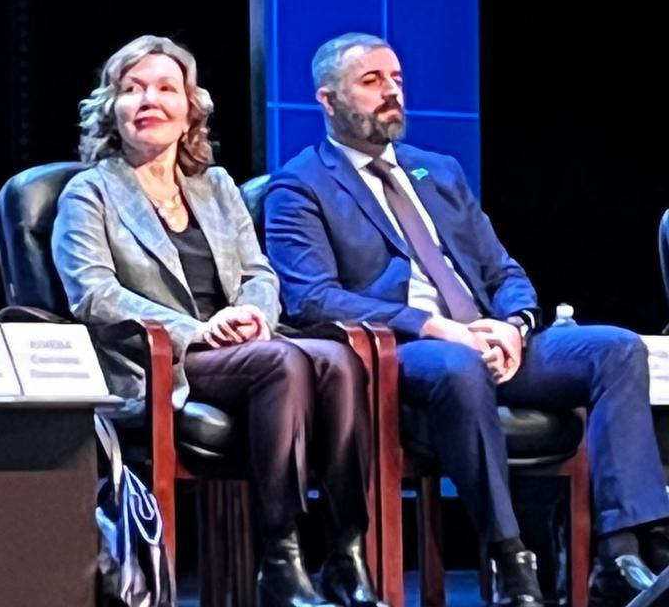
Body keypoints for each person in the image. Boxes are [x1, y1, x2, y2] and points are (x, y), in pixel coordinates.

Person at [265, 32, 669, 607]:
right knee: (459, 366)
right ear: (327, 100)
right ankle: (510, 557)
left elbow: (503, 269)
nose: (391, 92)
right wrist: (435, 326)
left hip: (489, 338)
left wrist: (515, 325)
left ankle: (620, 553)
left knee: (617, 348)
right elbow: (313, 299)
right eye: (372, 81)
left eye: (396, 79)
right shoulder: (300, 184)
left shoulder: (440, 172)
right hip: (408, 348)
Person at [51, 35, 388, 607]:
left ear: (190, 110)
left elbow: (259, 273)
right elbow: (95, 296)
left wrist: (254, 314)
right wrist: (198, 330)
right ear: (112, 109)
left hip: (244, 347)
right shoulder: (89, 193)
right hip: (159, 363)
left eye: (165, 88)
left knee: (338, 358)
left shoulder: (217, 187)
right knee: (283, 363)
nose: (148, 100)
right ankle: (279, 559)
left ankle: (345, 553)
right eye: (132, 89)